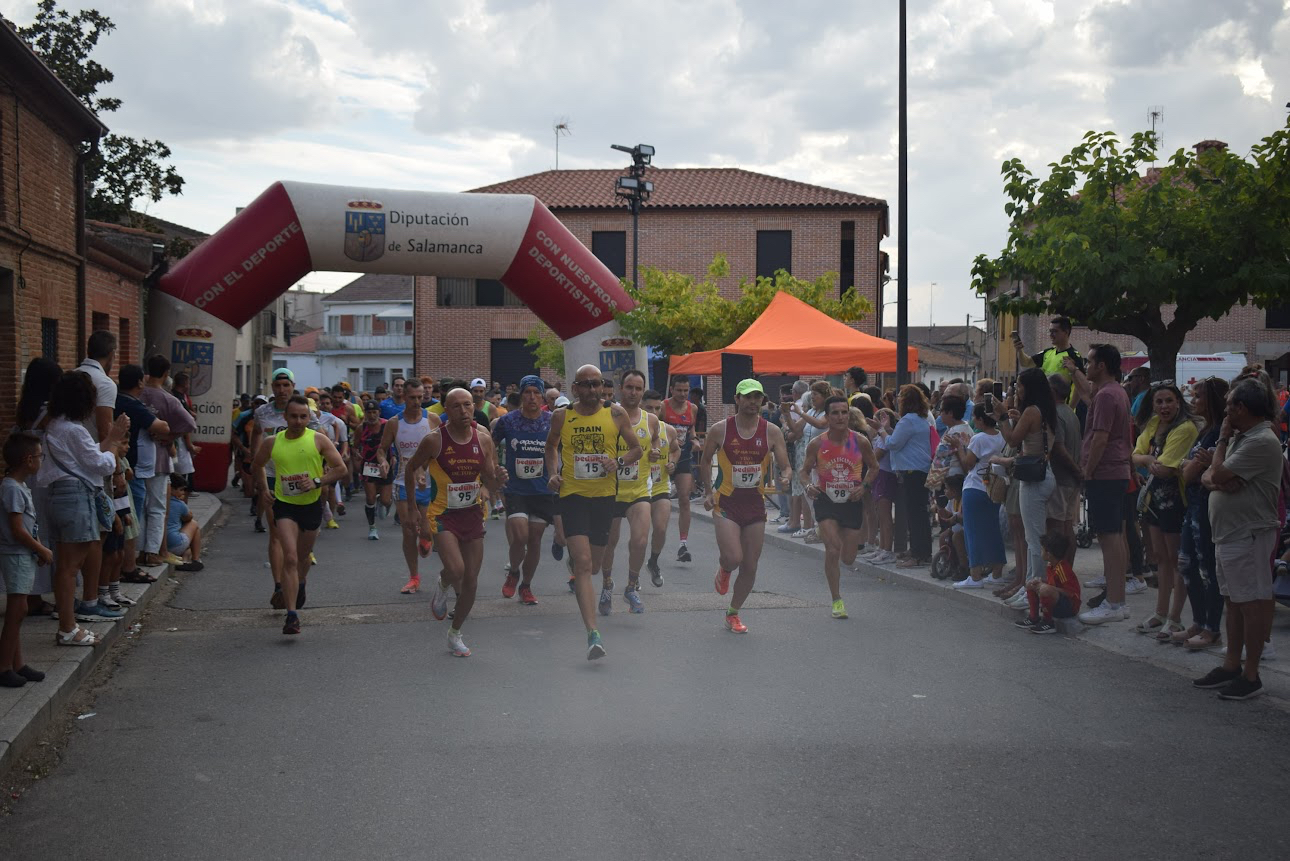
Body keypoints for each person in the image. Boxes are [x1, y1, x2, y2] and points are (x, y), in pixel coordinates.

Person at [1192, 379, 1283, 700]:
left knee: (1251, 603)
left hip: (1249, 533)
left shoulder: (1260, 440)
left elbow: (1215, 473)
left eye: (1230, 403)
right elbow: (1209, 477)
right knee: (1234, 601)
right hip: (1230, 533)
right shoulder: (1243, 437)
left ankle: (1251, 674)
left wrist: (1220, 444)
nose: (1225, 409)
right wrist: (1218, 478)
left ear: (1241, 408)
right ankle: (1232, 665)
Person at [544, 364, 643, 659]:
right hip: (572, 496)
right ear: (575, 388)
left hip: (604, 497)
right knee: (584, 564)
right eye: (585, 384)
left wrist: (619, 462)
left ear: (602, 386)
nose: (591, 389)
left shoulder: (616, 414)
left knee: (595, 565)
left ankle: (577, 564)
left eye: (596, 383)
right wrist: (553, 473)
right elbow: (550, 447)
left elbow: (636, 449)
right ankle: (593, 633)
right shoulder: (562, 416)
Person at [404, 388, 507, 657]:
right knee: (457, 569)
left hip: (473, 513)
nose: (463, 411)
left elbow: (489, 479)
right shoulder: (434, 440)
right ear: (446, 410)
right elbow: (410, 468)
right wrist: (413, 509)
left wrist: (497, 481)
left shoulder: (483, 439)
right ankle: (444, 581)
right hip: (443, 515)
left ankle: (455, 633)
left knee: (471, 580)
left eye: (468, 405)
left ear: (474, 407)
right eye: (456, 406)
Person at [37, 371, 131, 643]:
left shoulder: (57, 426)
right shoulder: (74, 429)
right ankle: (68, 628)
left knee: (66, 566)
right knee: (70, 567)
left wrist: (110, 439)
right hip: (75, 498)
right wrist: (115, 440)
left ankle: (69, 625)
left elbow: (87, 455)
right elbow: (102, 464)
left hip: (60, 497)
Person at [698, 379, 791, 634]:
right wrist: (708, 492)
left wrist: (786, 476)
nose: (752, 402)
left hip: (754, 506)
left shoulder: (771, 431)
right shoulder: (720, 429)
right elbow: (705, 461)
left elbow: (785, 465)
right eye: (747, 397)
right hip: (726, 502)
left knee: (750, 566)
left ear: (762, 400)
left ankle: (733, 613)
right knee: (733, 558)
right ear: (737, 399)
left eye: (757, 397)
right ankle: (725, 567)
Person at [251, 395, 348, 635]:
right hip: (284, 505)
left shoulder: (318, 440)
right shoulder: (272, 442)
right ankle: (291, 615)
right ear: (285, 417)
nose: (298, 421)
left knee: (303, 557)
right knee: (291, 558)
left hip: (311, 505)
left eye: (303, 416)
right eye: (293, 416)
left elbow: (341, 469)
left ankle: (301, 582)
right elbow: (257, 464)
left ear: (308, 417)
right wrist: (263, 489)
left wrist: (317, 481)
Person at [995, 368, 1078, 592]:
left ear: (1030, 387)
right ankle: (1030, 587)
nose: (1017, 390)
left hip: (1033, 478)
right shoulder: (1047, 409)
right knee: (1034, 536)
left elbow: (1013, 440)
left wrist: (1002, 417)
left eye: (1020, 385)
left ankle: (1034, 587)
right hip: (1044, 472)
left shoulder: (1031, 411)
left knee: (1033, 539)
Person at [799, 395, 878, 619]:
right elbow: (804, 471)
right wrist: (808, 486)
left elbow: (874, 467)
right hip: (826, 499)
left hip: (851, 501)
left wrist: (864, 487)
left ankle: (832, 537)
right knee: (833, 549)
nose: (840, 417)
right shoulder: (818, 443)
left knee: (848, 558)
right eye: (835, 413)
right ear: (827, 416)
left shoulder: (860, 441)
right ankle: (836, 600)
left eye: (844, 412)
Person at [1130, 382, 1199, 638]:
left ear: (1178, 402)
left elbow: (1167, 468)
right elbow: (1136, 455)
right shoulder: (1153, 424)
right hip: (1154, 499)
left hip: (1176, 500)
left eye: (1169, 401)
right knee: (1160, 556)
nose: (1164, 406)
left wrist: (1147, 460)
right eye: (1159, 402)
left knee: (1176, 559)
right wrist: (1149, 459)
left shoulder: (1186, 428)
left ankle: (1175, 617)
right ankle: (1160, 612)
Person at [1073, 345, 1135, 626]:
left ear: (1101, 365)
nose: (1086, 366)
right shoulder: (1115, 392)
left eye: (1089, 362)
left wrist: (1088, 470)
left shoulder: (1108, 395)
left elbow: (1100, 438)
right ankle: (1117, 600)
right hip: (1115, 472)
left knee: (1109, 538)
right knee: (1114, 536)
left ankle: (1114, 602)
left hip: (1106, 473)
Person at [595, 369, 660, 615]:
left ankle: (631, 587)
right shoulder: (607, 415)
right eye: (629, 387)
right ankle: (607, 585)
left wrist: (655, 451)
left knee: (640, 540)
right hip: (610, 490)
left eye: (638, 388)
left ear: (643, 392)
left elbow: (654, 441)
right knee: (609, 543)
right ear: (621, 388)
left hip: (638, 490)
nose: (633, 392)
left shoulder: (650, 420)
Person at [249, 368, 315, 607]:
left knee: (300, 539)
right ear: (272, 387)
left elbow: (320, 440)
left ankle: (298, 579)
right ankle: (279, 585)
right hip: (272, 477)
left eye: (286, 385)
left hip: (300, 478)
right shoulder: (262, 412)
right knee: (276, 532)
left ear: (293, 386)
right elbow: (256, 436)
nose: (281, 390)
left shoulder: (306, 411)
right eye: (277, 386)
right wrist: (256, 468)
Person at [491, 374, 554, 606]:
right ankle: (514, 571)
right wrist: (495, 469)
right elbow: (490, 445)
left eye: (536, 393)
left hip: (542, 489)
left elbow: (561, 448)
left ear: (542, 396)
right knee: (520, 536)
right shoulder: (508, 421)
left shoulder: (551, 421)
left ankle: (526, 586)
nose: (532, 397)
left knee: (535, 540)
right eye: (527, 392)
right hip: (516, 488)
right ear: (521, 395)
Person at [1175, 376, 1228, 649]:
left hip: (1207, 505)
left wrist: (1190, 466)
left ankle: (1211, 628)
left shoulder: (1218, 433)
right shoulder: (1205, 430)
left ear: (1211, 400)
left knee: (1207, 566)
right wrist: (1189, 466)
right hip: (1194, 503)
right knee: (1186, 562)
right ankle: (1198, 621)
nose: (1193, 401)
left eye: (1198, 396)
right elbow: (1186, 469)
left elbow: (1188, 471)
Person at [377, 378, 439, 593]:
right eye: (412, 398)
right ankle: (414, 578)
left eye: (420, 397)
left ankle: (426, 537)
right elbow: (382, 449)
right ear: (404, 397)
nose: (417, 401)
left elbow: (441, 449)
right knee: (409, 530)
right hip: (403, 482)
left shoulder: (432, 419)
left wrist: (426, 467)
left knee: (426, 531)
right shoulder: (394, 423)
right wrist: (383, 461)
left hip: (428, 483)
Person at [1, 433, 53, 685]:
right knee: (18, 608)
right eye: (41, 456)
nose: (42, 460)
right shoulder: (11, 488)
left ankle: (17, 663)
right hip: (15, 553)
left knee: (19, 609)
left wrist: (37, 548)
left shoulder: (19, 486)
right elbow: (17, 530)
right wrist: (40, 549)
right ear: (28, 459)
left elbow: (29, 526)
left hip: (24, 553)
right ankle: (4, 666)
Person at [137, 355, 196, 566]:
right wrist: (170, 436)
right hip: (159, 458)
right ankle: (151, 552)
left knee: (139, 506)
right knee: (157, 507)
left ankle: (137, 550)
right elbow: (190, 423)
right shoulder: (168, 399)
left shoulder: (137, 394)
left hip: (134, 458)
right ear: (166, 373)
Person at [948, 402, 1008, 585]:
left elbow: (968, 463)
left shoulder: (979, 438)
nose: (973, 420)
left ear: (981, 419)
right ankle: (997, 572)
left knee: (972, 532)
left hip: (975, 486)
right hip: (994, 488)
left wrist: (960, 447)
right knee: (993, 531)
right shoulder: (1003, 436)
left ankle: (975, 574)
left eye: (975, 417)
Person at [885, 384, 934, 568]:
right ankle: (923, 551)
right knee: (921, 513)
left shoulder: (907, 420)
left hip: (912, 470)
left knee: (914, 514)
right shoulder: (921, 419)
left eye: (899, 398)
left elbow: (894, 443)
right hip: (920, 468)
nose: (897, 401)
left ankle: (917, 553)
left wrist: (882, 432)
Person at [642, 389, 679, 586]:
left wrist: (672, 462)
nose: (654, 413)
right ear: (641, 407)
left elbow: (676, 450)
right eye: (649, 408)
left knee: (660, 528)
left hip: (660, 485)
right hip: (637, 487)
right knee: (639, 535)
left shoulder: (668, 430)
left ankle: (653, 562)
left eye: (657, 408)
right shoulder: (630, 427)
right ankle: (633, 573)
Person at [1014, 532, 1081, 634]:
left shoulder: (1062, 569)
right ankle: (1033, 617)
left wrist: (1047, 587)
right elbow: (1053, 584)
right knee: (1031, 584)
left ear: (1048, 554)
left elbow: (1070, 592)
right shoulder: (1051, 565)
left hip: (1070, 607)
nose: (1041, 551)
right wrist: (1041, 583)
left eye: (1042, 549)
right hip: (1057, 601)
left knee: (1045, 589)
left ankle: (1048, 622)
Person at [663, 375, 698, 562]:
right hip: (664, 458)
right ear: (671, 390)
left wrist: (695, 439)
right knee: (659, 500)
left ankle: (683, 544)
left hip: (683, 457)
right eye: (679, 390)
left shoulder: (693, 408)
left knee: (684, 498)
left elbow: (691, 429)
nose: (683, 394)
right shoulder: (663, 407)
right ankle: (655, 537)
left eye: (686, 390)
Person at [860, 408, 901, 565]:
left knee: (885, 516)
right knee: (880, 513)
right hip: (879, 475)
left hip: (885, 475)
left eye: (876, 420)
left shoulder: (885, 438)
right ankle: (882, 548)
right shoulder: (878, 437)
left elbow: (875, 456)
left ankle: (887, 549)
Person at [1011, 316, 1084, 403]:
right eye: (1050, 331)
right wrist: (1019, 350)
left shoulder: (1074, 356)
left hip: (1063, 405)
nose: (1051, 335)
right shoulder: (1047, 353)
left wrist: (1071, 407)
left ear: (1066, 332)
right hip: (1047, 405)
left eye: (1055, 331)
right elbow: (1026, 363)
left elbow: (1080, 384)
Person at [356, 401, 392, 540]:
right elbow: (355, 445)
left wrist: (394, 456)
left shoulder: (387, 425)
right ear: (365, 413)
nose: (371, 415)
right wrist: (356, 454)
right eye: (369, 412)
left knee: (385, 500)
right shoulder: (361, 428)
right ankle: (372, 527)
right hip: (368, 465)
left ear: (379, 413)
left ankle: (385, 502)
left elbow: (395, 443)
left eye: (374, 412)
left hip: (385, 465)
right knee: (370, 498)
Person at [315, 390, 349, 527]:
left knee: (329, 489)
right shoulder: (305, 418)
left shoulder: (337, 421)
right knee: (320, 489)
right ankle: (321, 514)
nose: (325, 406)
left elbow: (344, 440)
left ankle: (330, 517)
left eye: (327, 403)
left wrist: (343, 452)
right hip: (313, 458)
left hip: (329, 457)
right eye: (322, 403)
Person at [166, 475, 204, 571]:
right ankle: (196, 559)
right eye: (181, 490)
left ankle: (185, 559)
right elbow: (189, 517)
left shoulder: (160, 501)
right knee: (194, 524)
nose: (183, 493)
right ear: (171, 489)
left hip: (160, 546)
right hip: (174, 544)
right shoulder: (179, 504)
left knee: (188, 546)